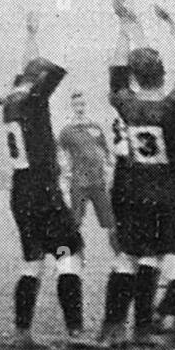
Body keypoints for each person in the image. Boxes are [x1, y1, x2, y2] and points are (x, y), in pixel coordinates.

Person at [99, 0, 175, 348]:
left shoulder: (126, 103)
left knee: (127, 258)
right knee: (153, 258)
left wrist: (125, 27)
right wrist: (173, 24)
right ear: (163, 74)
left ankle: (112, 326)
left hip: (134, 191)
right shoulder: (174, 106)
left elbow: (116, 69)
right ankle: (144, 326)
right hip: (170, 194)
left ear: (135, 77)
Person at [0, 13, 93, 349]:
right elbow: (52, 70)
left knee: (32, 260)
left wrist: (30, 34)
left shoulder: (13, 102)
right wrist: (76, 34)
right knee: (70, 252)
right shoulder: (36, 101)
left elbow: (29, 70)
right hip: (45, 192)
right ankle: (75, 331)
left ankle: (22, 331)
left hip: (20, 193)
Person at [57, 89, 114, 244]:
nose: (79, 108)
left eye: (82, 104)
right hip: (79, 184)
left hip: (98, 183)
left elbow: (106, 154)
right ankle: (70, 262)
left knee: (112, 223)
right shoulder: (67, 131)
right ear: (72, 107)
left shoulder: (95, 127)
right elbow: (60, 156)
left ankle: (120, 259)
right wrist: (65, 178)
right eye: (76, 105)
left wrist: (109, 176)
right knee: (74, 225)